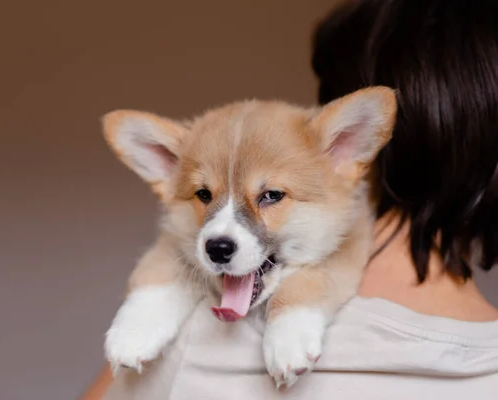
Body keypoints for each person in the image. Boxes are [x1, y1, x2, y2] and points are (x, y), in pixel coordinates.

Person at [82, 1, 498, 398]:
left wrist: (293, 308)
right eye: (205, 195)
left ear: (348, 143)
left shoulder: (189, 348)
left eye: (271, 196)